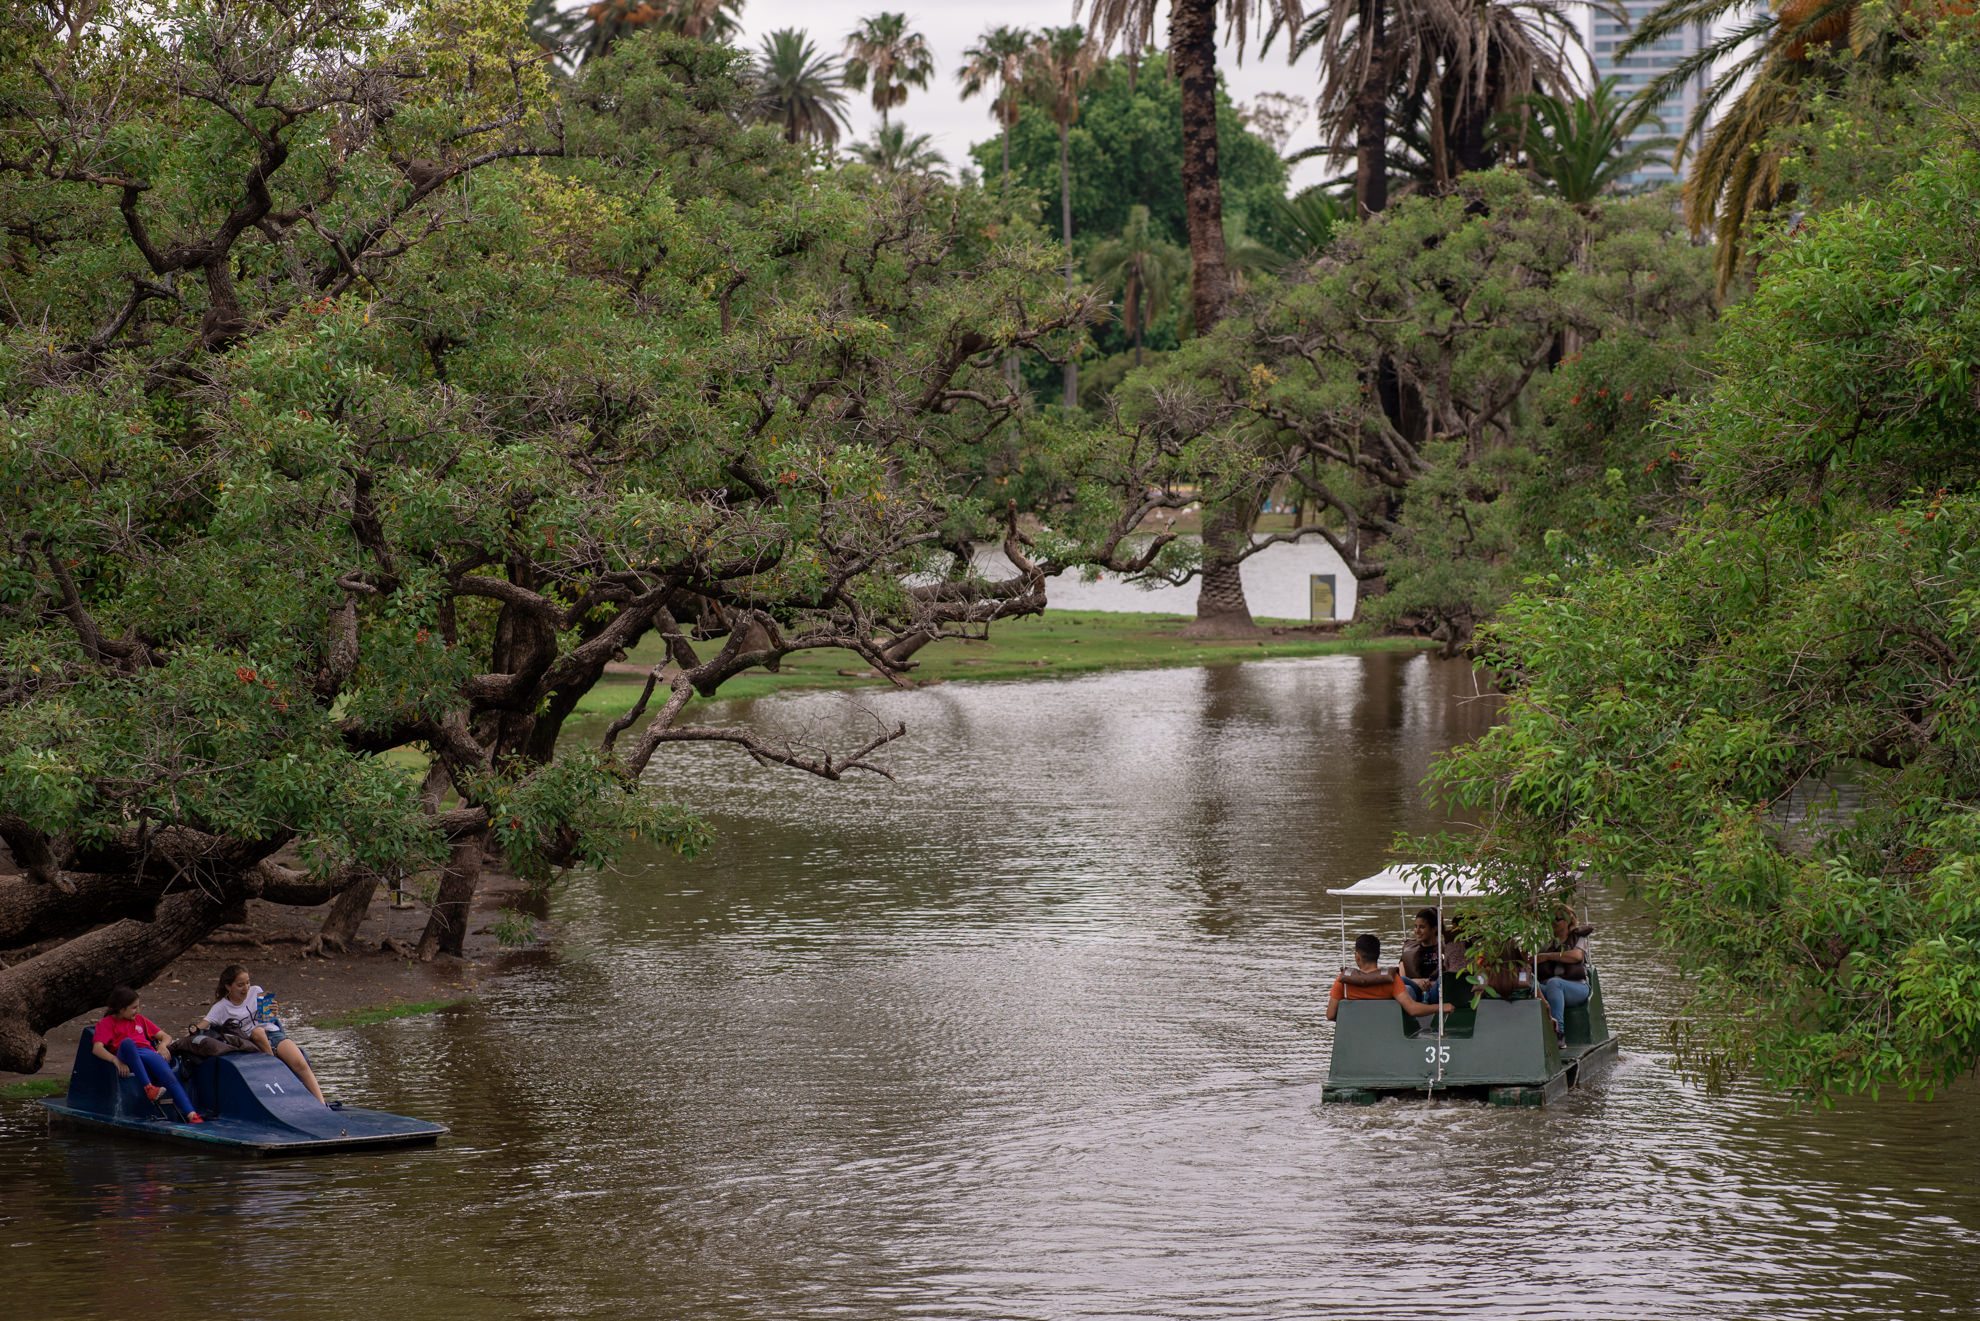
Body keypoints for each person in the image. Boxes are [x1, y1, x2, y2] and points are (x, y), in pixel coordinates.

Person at [198, 965, 327, 1105]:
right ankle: (274, 1064)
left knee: (300, 1063)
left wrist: (274, 1010)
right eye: (240, 985)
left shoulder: (256, 991)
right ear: (228, 987)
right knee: (257, 1032)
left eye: (247, 982)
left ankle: (322, 1104)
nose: (246, 988)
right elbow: (201, 1026)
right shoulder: (220, 1008)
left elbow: (269, 1018)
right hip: (250, 1042)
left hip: (272, 1034)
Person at [93, 986, 203, 1122]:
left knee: (168, 1075)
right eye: (134, 1008)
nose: (137, 1011)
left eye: (138, 1007)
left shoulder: (140, 1020)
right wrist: (115, 1060)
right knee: (128, 1043)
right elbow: (97, 1048)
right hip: (126, 1054)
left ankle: (191, 1114)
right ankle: (149, 1088)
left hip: (146, 1052)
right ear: (121, 1009)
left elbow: (165, 1036)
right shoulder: (106, 1023)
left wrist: (162, 1045)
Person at [1326, 933, 1447, 1021]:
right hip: (1387, 1030)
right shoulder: (1392, 980)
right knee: (1408, 986)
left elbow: (1330, 1015)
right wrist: (1441, 1007)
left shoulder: (1343, 982)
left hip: (1357, 1033)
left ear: (1357, 956)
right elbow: (1412, 1009)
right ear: (1378, 955)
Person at [1536, 907, 1593, 1046]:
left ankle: (1558, 1033)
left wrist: (1548, 957)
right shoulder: (1546, 944)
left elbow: (1576, 956)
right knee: (1531, 987)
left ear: (1568, 921)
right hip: (1551, 988)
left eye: (1557, 919)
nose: (1553, 923)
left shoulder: (1578, 939)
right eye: (1550, 920)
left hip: (1577, 988)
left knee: (1555, 983)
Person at [1401, 908, 1468, 1004]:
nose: (1417, 931)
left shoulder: (1447, 948)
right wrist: (1418, 982)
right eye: (1415, 927)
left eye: (1422, 927)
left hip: (1437, 990)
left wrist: (1433, 984)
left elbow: (1451, 975)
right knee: (1402, 981)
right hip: (1416, 988)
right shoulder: (1408, 948)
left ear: (1434, 928)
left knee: (1442, 979)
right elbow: (1402, 977)